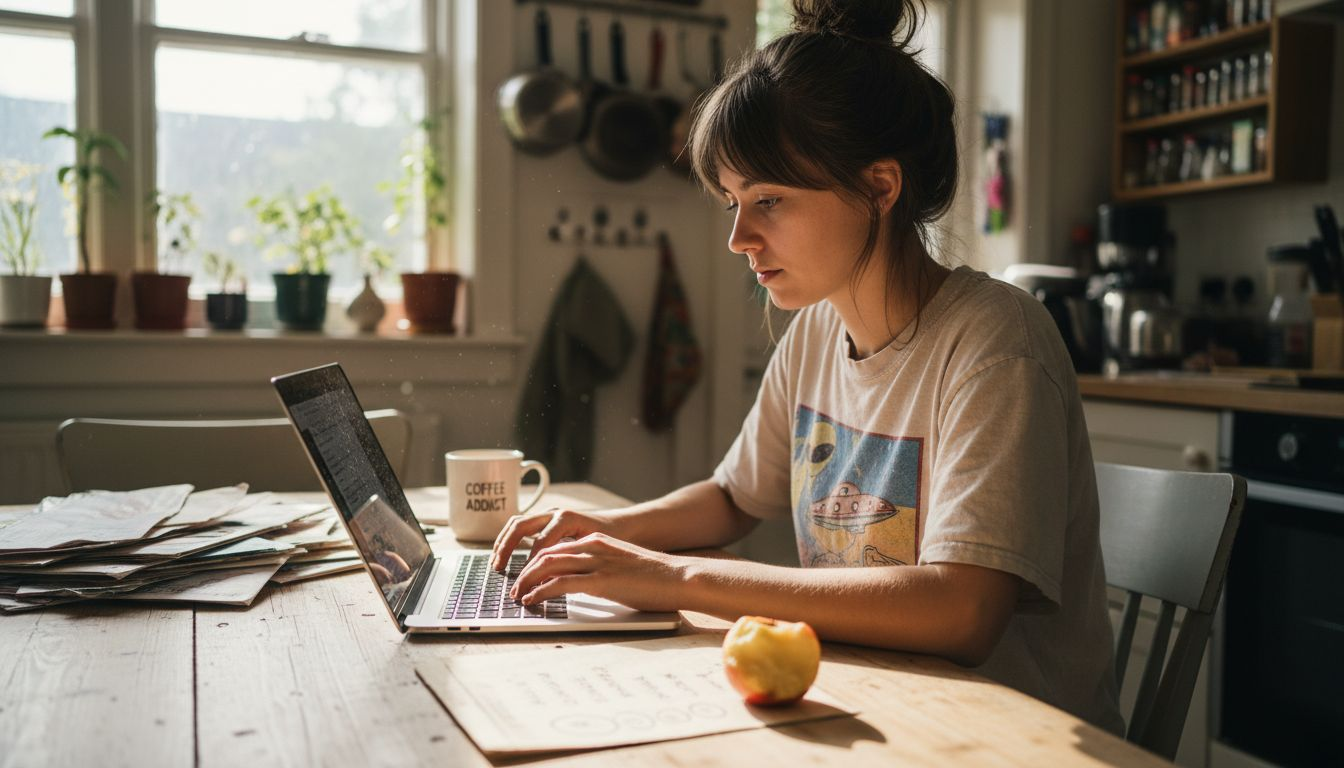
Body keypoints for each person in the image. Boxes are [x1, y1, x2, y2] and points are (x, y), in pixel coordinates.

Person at [492, 0, 1122, 733]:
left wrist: (675, 577)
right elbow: (733, 498)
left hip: (1003, 737)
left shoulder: (996, 343)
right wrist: (606, 529)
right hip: (876, 706)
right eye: (732, 200)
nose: (738, 237)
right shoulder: (817, 331)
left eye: (769, 200)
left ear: (880, 188)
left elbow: (963, 611)